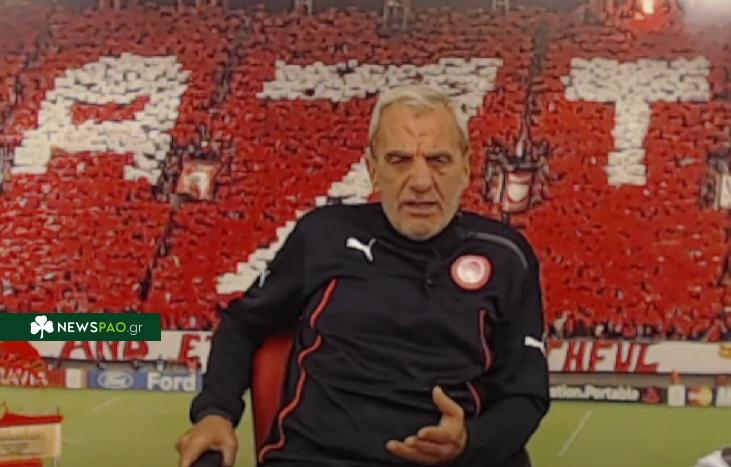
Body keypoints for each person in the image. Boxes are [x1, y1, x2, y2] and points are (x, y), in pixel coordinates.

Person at [176, 84, 549, 467]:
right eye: (399, 160)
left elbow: (526, 393)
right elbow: (243, 324)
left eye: (439, 160)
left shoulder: (506, 255)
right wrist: (215, 413)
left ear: (466, 167)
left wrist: (470, 443)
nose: (421, 181)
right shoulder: (323, 234)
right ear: (373, 169)